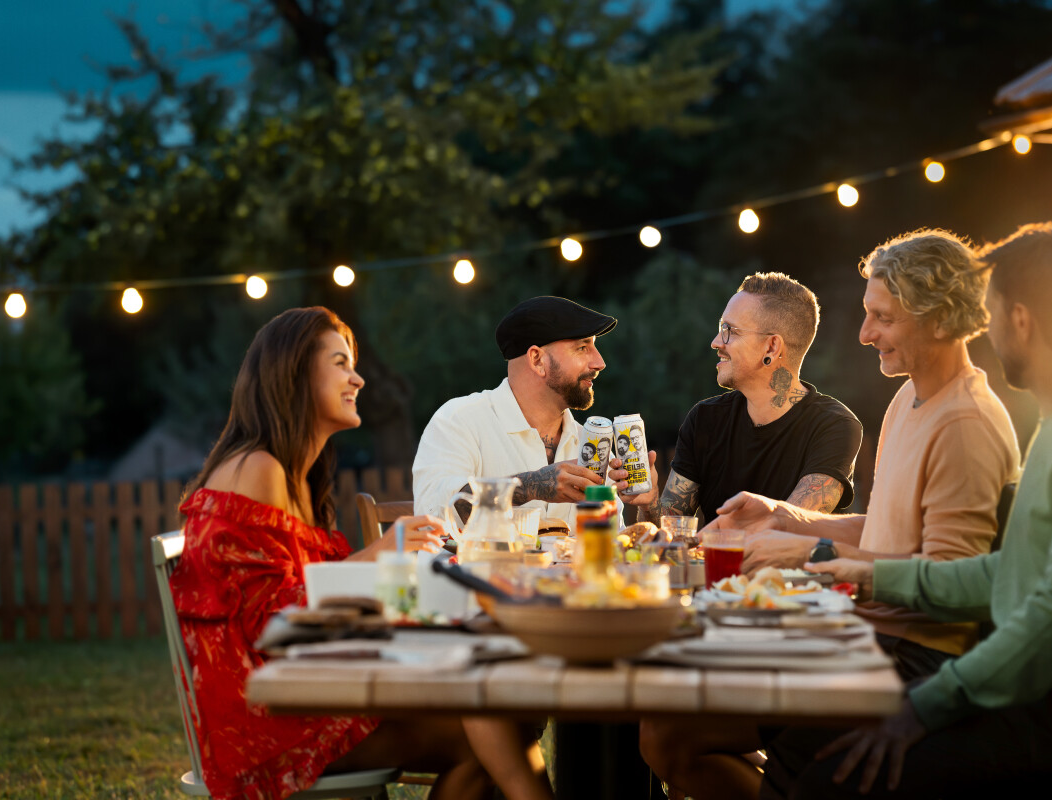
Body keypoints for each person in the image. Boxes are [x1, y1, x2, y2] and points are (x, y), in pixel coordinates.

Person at [641, 232, 1019, 800]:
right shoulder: (910, 398)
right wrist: (786, 518)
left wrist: (810, 553)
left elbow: (951, 586)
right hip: (867, 637)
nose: (865, 335)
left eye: (882, 318)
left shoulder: (964, 423)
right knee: (670, 734)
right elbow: (887, 528)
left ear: (938, 320)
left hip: (912, 663)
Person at [767, 222, 1052, 798]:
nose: (985, 327)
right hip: (1038, 688)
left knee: (826, 779)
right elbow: (1010, 573)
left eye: (995, 309)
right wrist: (872, 574)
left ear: (1020, 320)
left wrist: (924, 706)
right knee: (805, 757)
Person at [169, 307, 553, 800]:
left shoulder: (292, 474)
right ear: (294, 375)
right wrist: (379, 555)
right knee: (491, 732)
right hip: (265, 724)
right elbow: (269, 621)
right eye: (339, 364)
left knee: (498, 721)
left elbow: (301, 594)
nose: (358, 378)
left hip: (306, 688)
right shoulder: (257, 469)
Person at [633, 271, 862, 529]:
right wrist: (649, 502)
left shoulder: (834, 426)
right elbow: (667, 535)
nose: (716, 342)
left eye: (730, 331)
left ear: (771, 347)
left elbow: (790, 528)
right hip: (716, 567)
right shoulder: (705, 419)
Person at [413, 295, 632, 531]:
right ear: (537, 359)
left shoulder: (589, 442)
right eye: (582, 347)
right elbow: (433, 518)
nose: (600, 362)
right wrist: (530, 485)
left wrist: (646, 506)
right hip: (478, 569)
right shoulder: (459, 420)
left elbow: (612, 540)